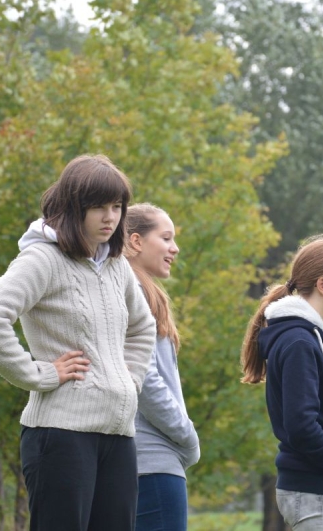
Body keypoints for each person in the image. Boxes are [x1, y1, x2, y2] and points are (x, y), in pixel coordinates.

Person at [0, 154, 156, 531]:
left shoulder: (116, 264)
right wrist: (39, 374)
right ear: (73, 207)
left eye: (117, 206)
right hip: (60, 436)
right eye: (98, 207)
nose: (110, 217)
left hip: (118, 435)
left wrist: (129, 380)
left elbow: (142, 327)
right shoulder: (43, 259)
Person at [241, 235, 323, 531]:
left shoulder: (310, 337)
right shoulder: (298, 341)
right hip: (314, 488)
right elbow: (301, 427)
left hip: (322, 489)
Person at [124, 203, 200, 531]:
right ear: (136, 241)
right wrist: (187, 435)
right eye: (166, 238)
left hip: (148, 460)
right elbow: (145, 377)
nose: (175, 248)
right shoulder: (133, 293)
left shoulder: (142, 293)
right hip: (152, 461)